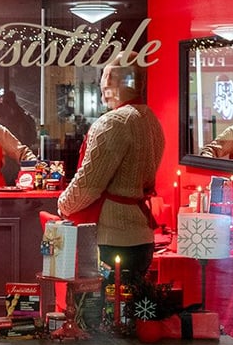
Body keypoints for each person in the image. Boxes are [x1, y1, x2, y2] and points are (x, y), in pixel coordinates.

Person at [56, 63, 165, 289]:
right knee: (132, 313)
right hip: (142, 236)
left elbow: (88, 185)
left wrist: (63, 204)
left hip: (110, 239)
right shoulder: (151, 120)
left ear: (114, 84)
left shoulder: (113, 122)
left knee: (99, 314)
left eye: (105, 81)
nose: (102, 88)